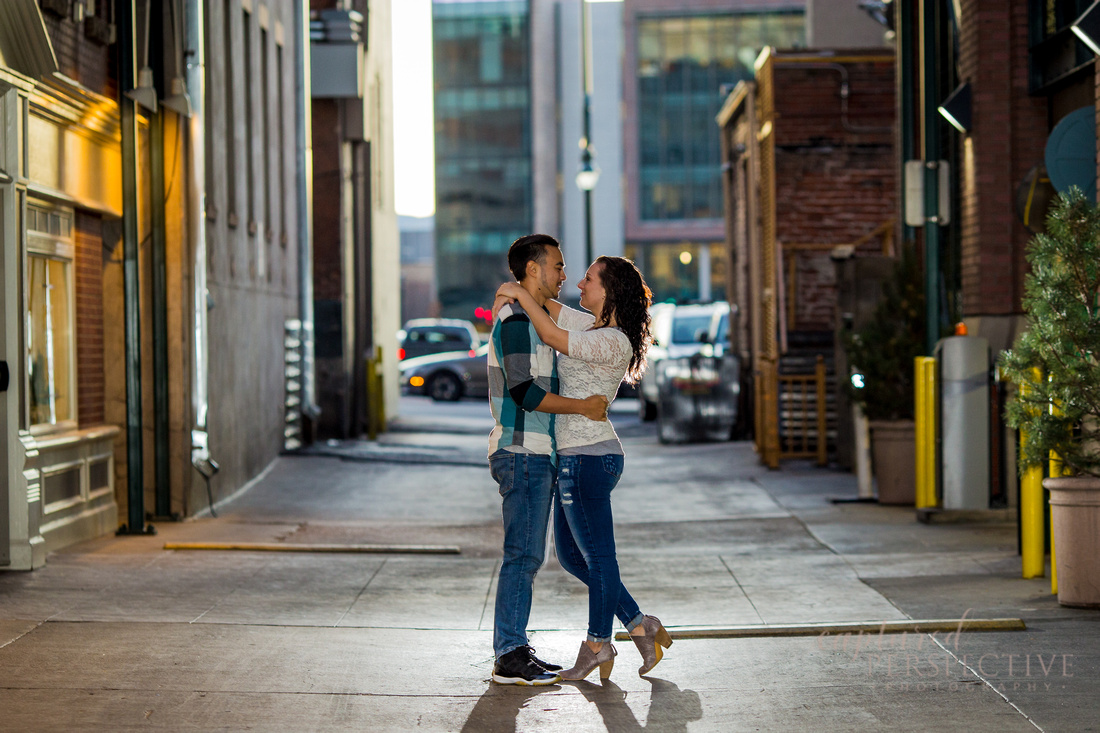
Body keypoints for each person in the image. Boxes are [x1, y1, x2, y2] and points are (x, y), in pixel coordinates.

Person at [494, 256, 673, 682]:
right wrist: (518, 289)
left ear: (609, 289)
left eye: (588, 279)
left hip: (591, 456)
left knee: (598, 556)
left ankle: (597, 643)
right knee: (573, 558)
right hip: (574, 456)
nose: (578, 282)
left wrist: (519, 293)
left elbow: (550, 333)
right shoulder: (590, 325)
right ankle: (639, 624)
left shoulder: (613, 340)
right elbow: (549, 309)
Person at [488, 234, 611, 686]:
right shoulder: (517, 320)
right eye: (558, 266)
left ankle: (516, 647)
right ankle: (508, 655)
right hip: (522, 451)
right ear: (534, 268)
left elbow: (587, 326)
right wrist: (581, 407)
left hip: (538, 452)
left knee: (527, 556)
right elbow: (524, 392)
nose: (564, 275)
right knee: (522, 555)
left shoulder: (532, 317)